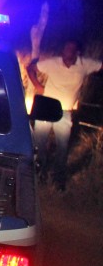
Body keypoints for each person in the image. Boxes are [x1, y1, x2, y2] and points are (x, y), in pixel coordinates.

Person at [26, 38, 102, 189]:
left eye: (69, 49)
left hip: (65, 111)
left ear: (76, 52)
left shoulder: (84, 64)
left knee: (62, 146)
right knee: (39, 143)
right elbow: (31, 68)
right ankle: (39, 174)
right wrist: (37, 85)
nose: (65, 51)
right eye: (65, 48)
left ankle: (57, 178)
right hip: (46, 107)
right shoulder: (53, 63)